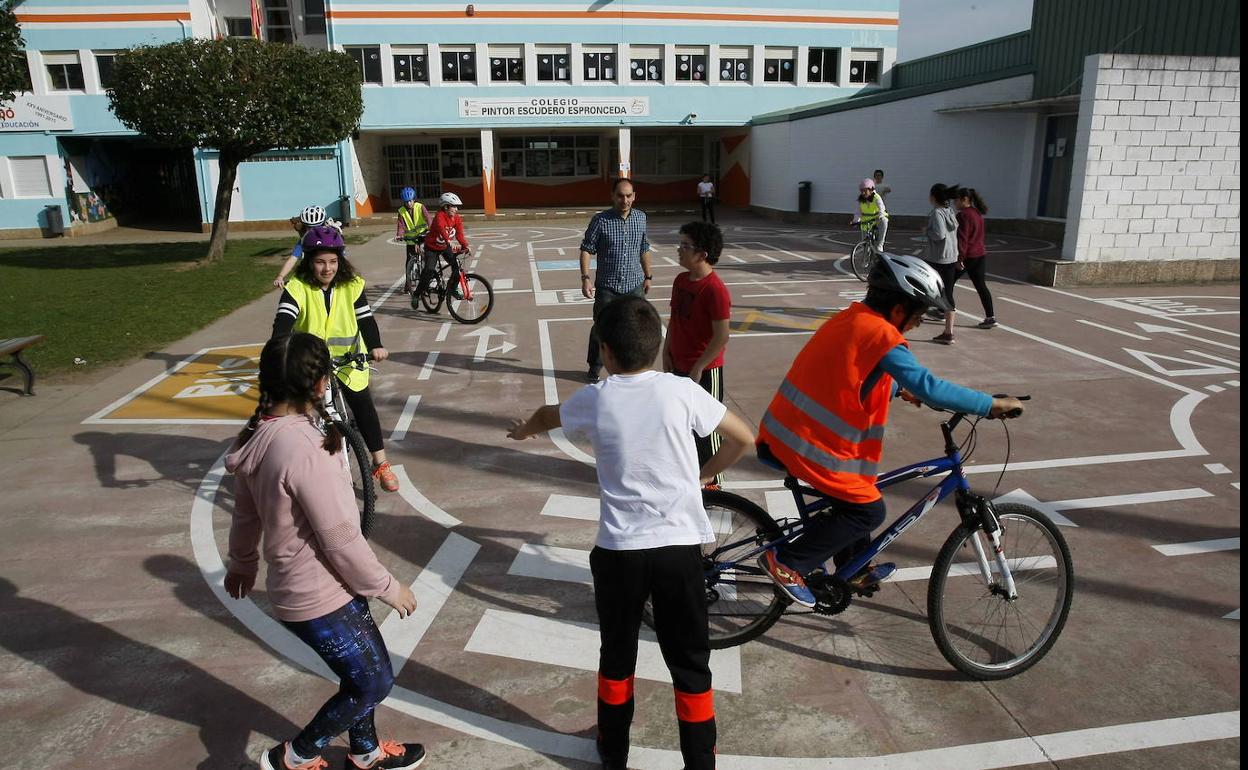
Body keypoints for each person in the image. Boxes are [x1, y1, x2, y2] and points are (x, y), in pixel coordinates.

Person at [507, 296, 754, 770]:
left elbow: (545, 414)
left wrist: (524, 431)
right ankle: (700, 761)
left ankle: (613, 752)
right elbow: (744, 437)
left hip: (620, 551)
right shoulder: (681, 391)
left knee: (617, 656)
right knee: (690, 662)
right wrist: (701, 476)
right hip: (678, 551)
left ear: (605, 351)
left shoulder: (596, 398)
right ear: (656, 342)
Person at [754, 253, 1025, 608]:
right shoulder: (882, 334)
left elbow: (850, 374)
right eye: (919, 314)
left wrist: (897, 388)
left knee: (859, 493)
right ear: (899, 309)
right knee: (867, 511)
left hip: (788, 432)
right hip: (809, 444)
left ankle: (851, 568)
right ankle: (788, 563)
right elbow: (929, 385)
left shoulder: (853, 318)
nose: (917, 323)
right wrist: (990, 404)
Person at [225, 332, 425, 770]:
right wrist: (387, 587)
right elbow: (340, 538)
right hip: (321, 594)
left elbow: (245, 516)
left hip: (302, 589)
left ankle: (365, 751)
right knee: (373, 681)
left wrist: (241, 564)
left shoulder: (260, 435)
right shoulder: (304, 449)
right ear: (320, 385)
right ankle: (295, 756)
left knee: (359, 674)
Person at [272, 227, 400, 493]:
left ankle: (381, 463)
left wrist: (376, 345)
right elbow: (283, 322)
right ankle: (298, 464)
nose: (327, 268)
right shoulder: (297, 287)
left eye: (332, 261)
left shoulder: (352, 285)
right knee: (298, 411)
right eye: (320, 261)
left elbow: (365, 318)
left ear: (340, 260)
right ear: (308, 261)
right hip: (311, 362)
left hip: (349, 359)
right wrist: (279, 351)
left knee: (363, 404)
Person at [662, 221, 731, 488]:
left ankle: (715, 483)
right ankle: (693, 474)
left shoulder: (715, 290)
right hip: (679, 365)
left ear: (702, 254)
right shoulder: (681, 281)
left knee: (708, 428)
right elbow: (674, 320)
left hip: (704, 371)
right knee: (684, 425)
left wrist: (700, 366)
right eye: (680, 244)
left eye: (685, 245)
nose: (679, 250)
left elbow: (721, 336)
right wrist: (666, 351)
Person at [579, 178, 655, 382]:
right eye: (620, 195)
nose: (625, 200)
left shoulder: (640, 218)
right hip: (608, 287)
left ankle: (633, 368)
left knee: (638, 328)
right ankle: (594, 367)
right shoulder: (601, 220)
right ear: (612, 196)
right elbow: (587, 249)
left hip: (634, 285)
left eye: (629, 195)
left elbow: (644, 247)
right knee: (601, 328)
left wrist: (648, 276)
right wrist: (586, 278)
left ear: (634, 196)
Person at [953, 187, 998, 329]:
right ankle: (990, 317)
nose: (954, 203)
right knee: (981, 285)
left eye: (956, 200)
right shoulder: (977, 213)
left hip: (968, 255)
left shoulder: (963, 215)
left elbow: (963, 238)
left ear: (964, 199)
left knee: (946, 282)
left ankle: (942, 311)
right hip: (980, 254)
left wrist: (960, 258)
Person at [415, 192, 469, 307]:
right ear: (446, 207)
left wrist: (465, 246)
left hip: (444, 247)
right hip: (432, 247)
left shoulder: (456, 218)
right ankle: (417, 293)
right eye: (453, 206)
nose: (456, 209)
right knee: (429, 270)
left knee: (456, 266)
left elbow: (459, 235)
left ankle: (453, 289)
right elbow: (441, 228)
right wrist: (449, 240)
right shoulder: (440, 216)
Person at [924, 182, 960, 343]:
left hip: (938, 258)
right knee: (948, 293)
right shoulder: (950, 211)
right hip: (951, 257)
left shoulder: (937, 213)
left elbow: (939, 235)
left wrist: (927, 231)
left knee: (925, 287)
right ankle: (948, 331)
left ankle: (915, 316)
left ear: (933, 197)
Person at [273, 205, 327, 289]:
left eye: (317, 227)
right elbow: (293, 258)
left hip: (327, 276)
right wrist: (280, 276)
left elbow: (342, 259)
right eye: (309, 227)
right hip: (309, 277)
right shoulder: (304, 240)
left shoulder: (331, 240)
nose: (313, 231)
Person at [394, 187, 431, 294]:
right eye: (406, 202)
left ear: (414, 199)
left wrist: (431, 229)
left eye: (410, 200)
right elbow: (400, 225)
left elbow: (428, 218)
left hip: (423, 236)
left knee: (426, 259)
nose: (409, 203)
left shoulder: (420, 207)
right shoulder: (401, 211)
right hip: (411, 239)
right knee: (408, 263)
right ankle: (408, 285)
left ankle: (426, 282)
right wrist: (399, 235)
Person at [849, 178, 889, 253]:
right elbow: (858, 212)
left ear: (871, 190)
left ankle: (880, 244)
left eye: (865, 191)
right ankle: (866, 257)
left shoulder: (876, 197)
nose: (863, 193)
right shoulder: (860, 200)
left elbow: (881, 208)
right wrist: (855, 221)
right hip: (866, 220)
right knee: (865, 243)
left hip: (877, 219)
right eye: (861, 191)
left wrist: (880, 216)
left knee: (884, 221)